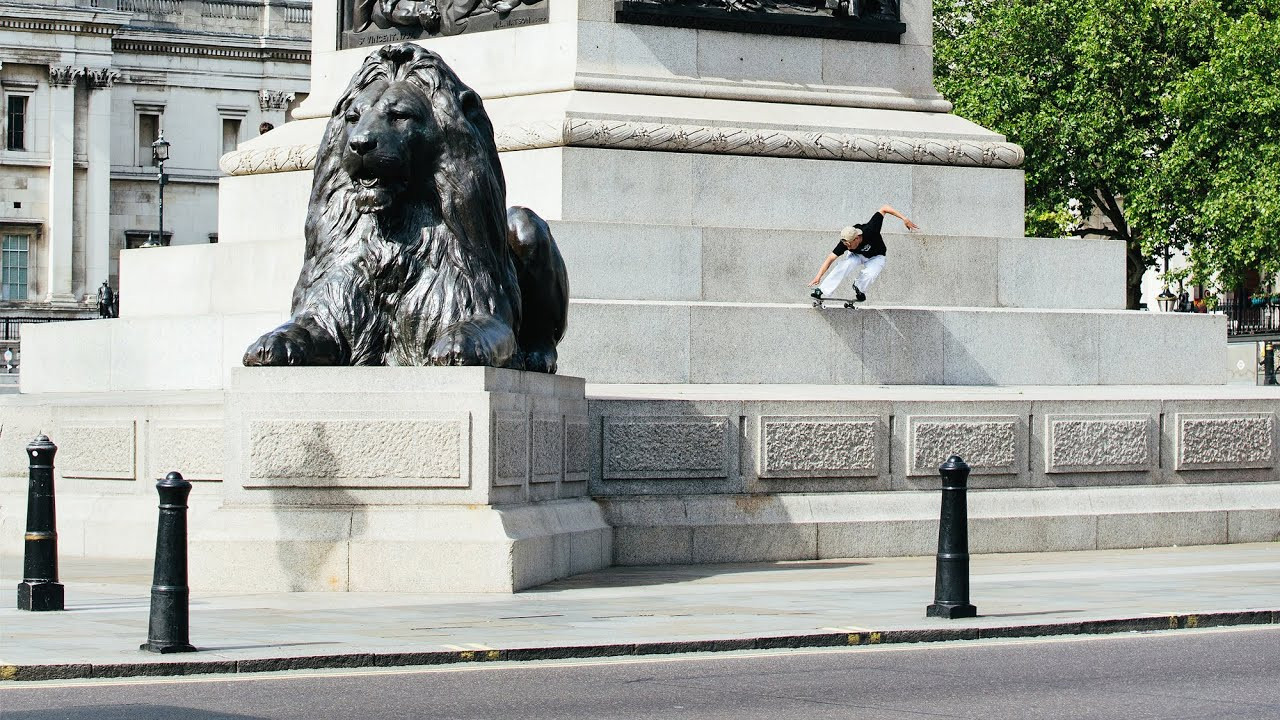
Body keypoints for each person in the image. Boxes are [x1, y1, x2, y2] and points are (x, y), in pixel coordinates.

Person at [809, 205, 918, 302]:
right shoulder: (845, 243)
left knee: (870, 274)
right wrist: (818, 276)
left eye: (849, 245)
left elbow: (884, 208)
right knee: (845, 265)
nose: (847, 247)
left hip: (877, 256)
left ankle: (859, 288)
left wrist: (905, 218)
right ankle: (822, 290)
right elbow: (830, 258)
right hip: (857, 255)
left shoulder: (871, 229)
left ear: (856, 238)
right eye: (846, 245)